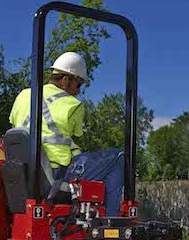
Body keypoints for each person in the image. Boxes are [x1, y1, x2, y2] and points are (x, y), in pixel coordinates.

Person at [9, 52, 124, 216]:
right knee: (118, 157)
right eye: (78, 85)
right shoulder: (73, 105)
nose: (78, 91)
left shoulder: (22, 96)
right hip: (57, 173)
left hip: (26, 173)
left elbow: (19, 131)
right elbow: (73, 135)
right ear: (65, 81)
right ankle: (110, 222)